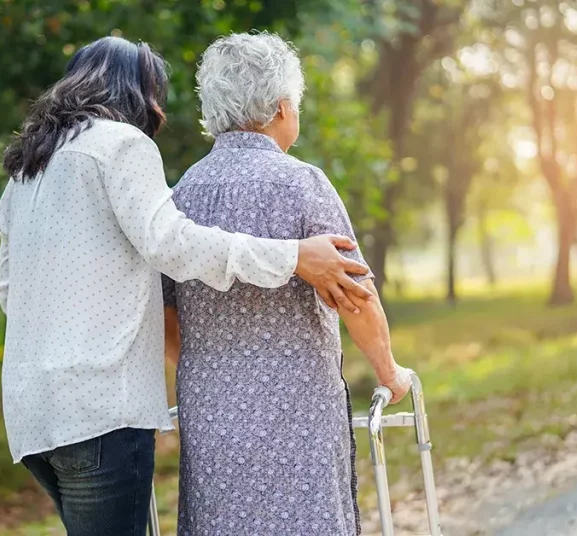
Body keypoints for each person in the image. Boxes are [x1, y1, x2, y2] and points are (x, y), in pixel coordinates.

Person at [0, 36, 373, 536]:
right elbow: (172, 244)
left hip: (32, 413)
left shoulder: (28, 168)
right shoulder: (121, 144)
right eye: (156, 93)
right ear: (136, 91)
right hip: (99, 409)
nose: (158, 109)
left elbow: (8, 291)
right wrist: (294, 256)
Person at [162, 32, 413, 535]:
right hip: (299, 416)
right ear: (281, 108)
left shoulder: (180, 194)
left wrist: (214, 370)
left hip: (213, 418)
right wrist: (390, 373)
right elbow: (356, 297)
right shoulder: (302, 184)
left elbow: (166, 316)